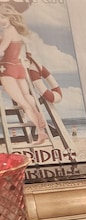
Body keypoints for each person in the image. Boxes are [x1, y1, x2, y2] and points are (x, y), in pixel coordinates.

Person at [0, 4, 47, 145]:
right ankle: (41, 126)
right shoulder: (15, 32)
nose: (0, 20)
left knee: (23, 103)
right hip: (19, 68)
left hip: (7, 69)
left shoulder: (8, 32)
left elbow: (1, 51)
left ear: (10, 17)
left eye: (3, 16)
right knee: (28, 99)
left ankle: (40, 133)